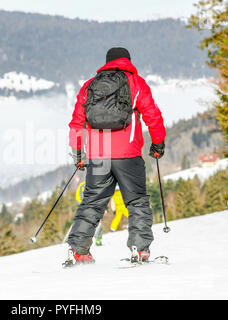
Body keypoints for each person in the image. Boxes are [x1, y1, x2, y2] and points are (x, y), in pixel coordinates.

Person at [63, 47, 166, 267]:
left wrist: (78, 153)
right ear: (128, 61)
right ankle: (139, 249)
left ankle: (78, 251)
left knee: (92, 202)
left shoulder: (89, 86)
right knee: (137, 201)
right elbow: (153, 116)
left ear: (107, 63)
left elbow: (76, 123)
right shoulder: (135, 82)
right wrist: (158, 143)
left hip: (98, 156)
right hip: (128, 155)